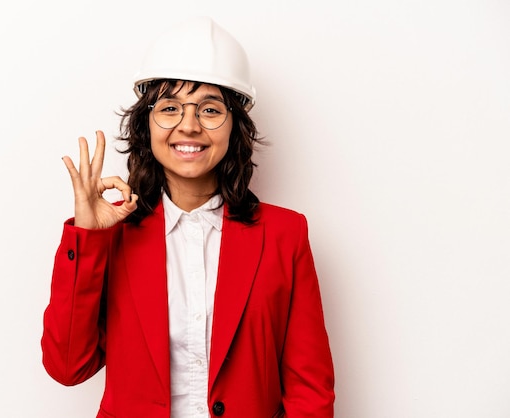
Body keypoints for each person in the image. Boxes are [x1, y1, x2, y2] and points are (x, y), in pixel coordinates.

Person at [41, 16, 335, 417]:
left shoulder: (286, 235)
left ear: (235, 125)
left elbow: (310, 392)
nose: (189, 126)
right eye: (170, 108)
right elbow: (68, 367)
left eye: (210, 109)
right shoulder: (114, 234)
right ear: (147, 123)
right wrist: (88, 239)